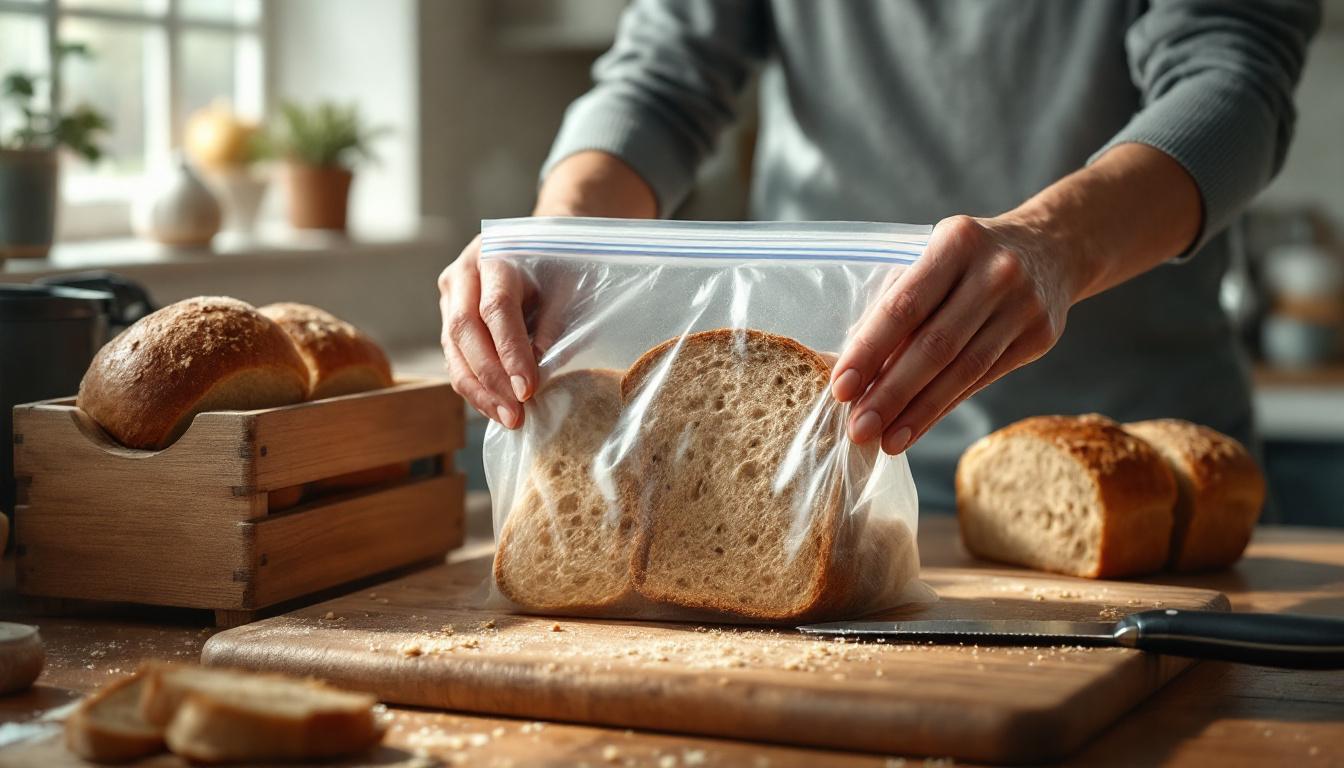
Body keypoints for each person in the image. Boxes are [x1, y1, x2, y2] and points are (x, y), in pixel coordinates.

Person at [439, 1, 1321, 508]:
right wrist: (556, 240)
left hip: (1133, 468)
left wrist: (1057, 246)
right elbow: (663, 80)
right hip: (808, 463)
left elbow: (1231, 81)